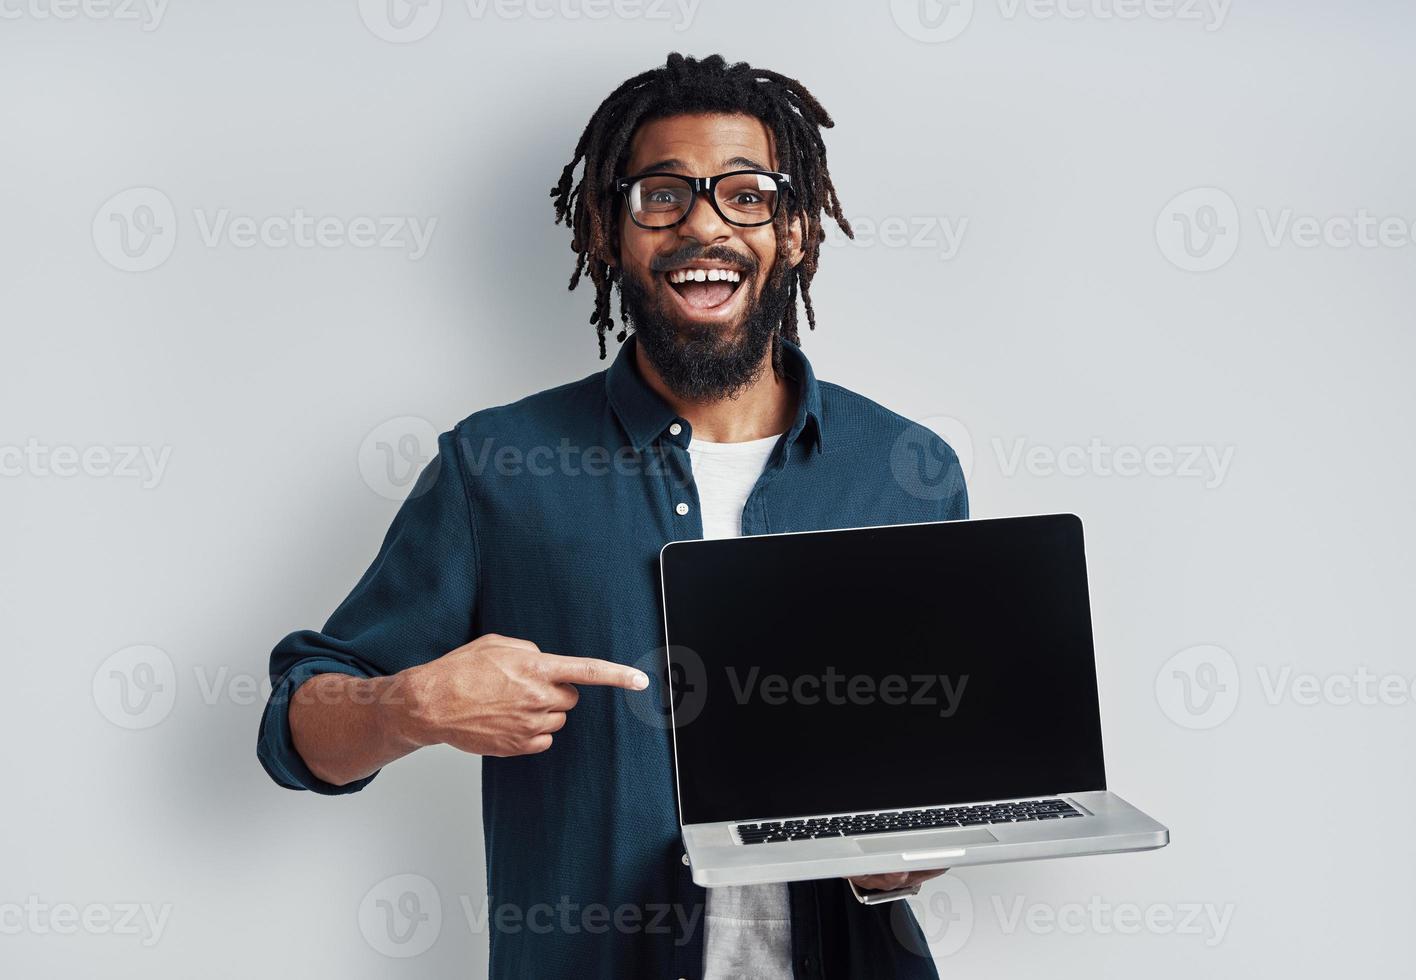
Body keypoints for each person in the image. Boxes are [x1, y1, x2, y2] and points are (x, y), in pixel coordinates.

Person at [257, 51, 967, 979]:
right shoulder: (496, 469)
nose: (704, 225)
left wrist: (904, 856)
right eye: (662, 195)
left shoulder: (907, 476)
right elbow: (294, 735)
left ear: (792, 231)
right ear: (605, 229)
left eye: (746, 194)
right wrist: (409, 703)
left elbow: (945, 767)